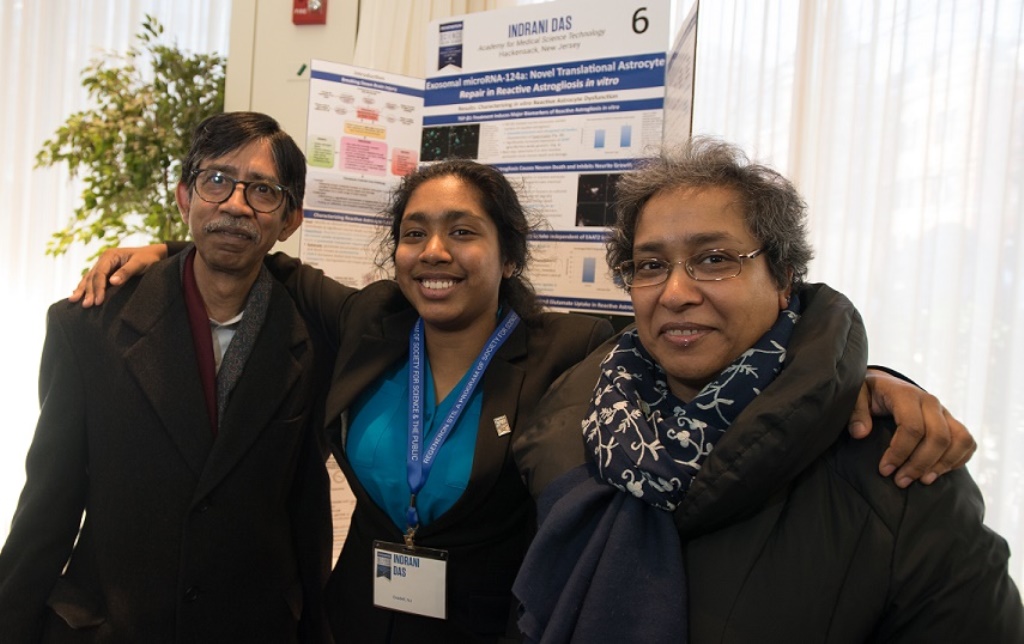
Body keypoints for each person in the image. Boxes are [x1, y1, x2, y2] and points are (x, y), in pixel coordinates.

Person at [73, 159, 975, 644]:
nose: (435, 252)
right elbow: (245, 255)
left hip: (489, 620)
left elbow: (734, 353)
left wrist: (873, 381)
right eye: (416, 233)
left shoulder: (578, 351)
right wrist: (154, 253)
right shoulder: (363, 325)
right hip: (353, 620)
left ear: (506, 254)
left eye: (463, 232)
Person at [512, 138, 1024, 643]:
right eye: (650, 265)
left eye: (713, 259)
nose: (675, 292)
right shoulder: (579, 417)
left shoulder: (898, 463)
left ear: (782, 276)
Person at [0, 112, 332, 642]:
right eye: (216, 181)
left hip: (253, 627)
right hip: (113, 625)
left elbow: (306, 513)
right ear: (184, 198)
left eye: (263, 191)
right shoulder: (88, 327)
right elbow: (48, 506)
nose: (235, 204)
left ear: (289, 219)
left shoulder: (313, 337)